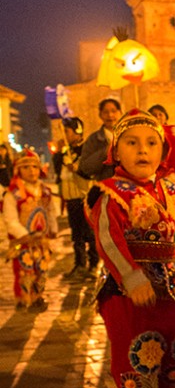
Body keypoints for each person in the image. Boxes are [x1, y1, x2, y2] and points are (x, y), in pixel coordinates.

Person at [86, 109, 175, 388]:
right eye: (132, 143)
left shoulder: (173, 192)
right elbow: (108, 238)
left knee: (174, 353)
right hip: (127, 293)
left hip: (171, 291)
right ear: (116, 152)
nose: (142, 151)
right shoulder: (110, 192)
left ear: (163, 151)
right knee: (136, 357)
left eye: (151, 143)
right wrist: (131, 277)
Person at [3, 148, 58, 311]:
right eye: (26, 167)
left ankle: (38, 297)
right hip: (23, 241)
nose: (31, 171)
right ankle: (24, 300)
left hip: (41, 240)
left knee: (41, 269)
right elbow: (10, 219)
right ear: (17, 170)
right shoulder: (13, 193)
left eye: (34, 167)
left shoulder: (45, 191)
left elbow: (50, 211)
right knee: (24, 270)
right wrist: (24, 235)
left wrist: (53, 228)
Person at [53, 117, 99, 279]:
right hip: (70, 198)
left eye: (67, 131)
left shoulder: (86, 149)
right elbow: (57, 172)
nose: (64, 134)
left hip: (84, 198)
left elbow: (90, 171)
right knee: (76, 235)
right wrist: (59, 154)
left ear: (77, 131)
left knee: (90, 234)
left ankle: (94, 264)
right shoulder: (65, 150)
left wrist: (77, 168)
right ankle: (80, 264)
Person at [78, 97, 121, 181]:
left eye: (113, 111)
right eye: (106, 112)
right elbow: (85, 168)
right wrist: (105, 152)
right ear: (100, 115)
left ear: (120, 112)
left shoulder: (128, 136)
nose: (110, 115)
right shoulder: (94, 139)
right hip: (104, 188)